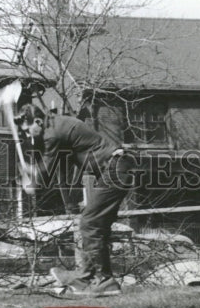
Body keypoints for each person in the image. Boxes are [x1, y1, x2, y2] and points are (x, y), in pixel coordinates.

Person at [16, 105, 138, 296]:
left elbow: (43, 175)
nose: (28, 134)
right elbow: (56, 174)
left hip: (116, 168)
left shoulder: (53, 134)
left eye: (27, 129)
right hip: (116, 168)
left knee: (90, 222)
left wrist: (29, 176)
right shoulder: (58, 127)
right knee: (96, 224)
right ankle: (87, 276)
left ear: (38, 122)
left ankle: (104, 280)